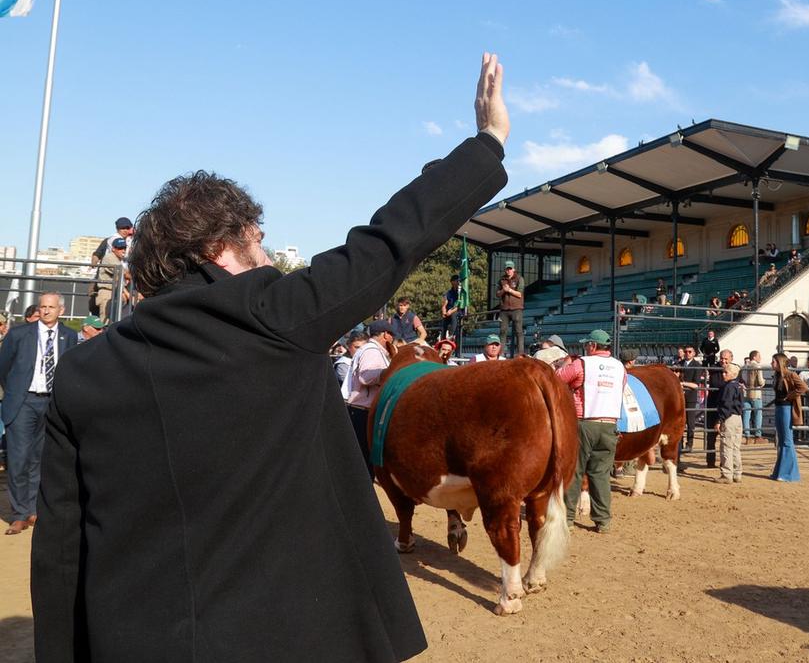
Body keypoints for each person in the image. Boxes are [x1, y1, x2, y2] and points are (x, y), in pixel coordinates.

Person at [32, 52, 510, 662]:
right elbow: (392, 238)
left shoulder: (81, 372)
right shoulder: (275, 315)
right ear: (219, 251)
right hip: (293, 635)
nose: (270, 260)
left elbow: (60, 549)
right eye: (258, 243)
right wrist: (488, 141)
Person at [0, 292, 80, 535]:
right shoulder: (18, 334)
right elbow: (3, 368)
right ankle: (19, 513)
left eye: (51, 307)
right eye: (42, 307)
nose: (45, 311)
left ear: (61, 311)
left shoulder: (68, 336)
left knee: (41, 458)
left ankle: (35, 509)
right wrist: (16, 392)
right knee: (18, 458)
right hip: (23, 402)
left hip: (51, 403)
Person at [558, 329, 623, 533]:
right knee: (601, 473)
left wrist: (565, 364)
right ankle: (603, 520)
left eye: (588, 344)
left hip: (584, 422)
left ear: (593, 346)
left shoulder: (582, 363)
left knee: (574, 470)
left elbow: (559, 378)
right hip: (610, 424)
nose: (586, 347)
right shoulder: (620, 367)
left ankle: (568, 518)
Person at [344, 320, 393, 472]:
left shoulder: (370, 349)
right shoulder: (372, 350)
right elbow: (366, 376)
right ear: (385, 334)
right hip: (362, 412)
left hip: (361, 410)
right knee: (363, 463)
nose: (392, 338)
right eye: (391, 334)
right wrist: (390, 374)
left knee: (362, 461)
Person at [769, 352, 803, 482]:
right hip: (779, 407)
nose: (772, 363)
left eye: (774, 362)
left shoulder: (790, 374)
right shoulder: (778, 375)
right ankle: (782, 472)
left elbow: (803, 387)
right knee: (782, 440)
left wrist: (790, 396)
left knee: (787, 440)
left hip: (786, 408)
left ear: (779, 362)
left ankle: (788, 474)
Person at [714, 362, 744, 483]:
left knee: (726, 446)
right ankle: (737, 473)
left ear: (733, 374)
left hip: (729, 418)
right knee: (736, 447)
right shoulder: (738, 386)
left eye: (726, 372)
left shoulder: (728, 387)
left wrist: (719, 420)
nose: (723, 374)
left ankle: (727, 474)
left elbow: (726, 405)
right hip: (737, 417)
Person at [94, 236, 131, 324]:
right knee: (105, 323)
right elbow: (125, 274)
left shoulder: (120, 260)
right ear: (113, 249)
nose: (123, 250)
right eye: (120, 248)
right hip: (108, 293)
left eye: (124, 248)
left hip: (117, 293)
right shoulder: (109, 257)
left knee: (115, 323)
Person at [676, 345, 705, 452]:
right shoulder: (680, 363)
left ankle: (690, 443)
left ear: (694, 354)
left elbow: (696, 384)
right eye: (686, 351)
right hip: (680, 395)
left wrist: (682, 383)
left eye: (689, 352)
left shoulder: (697, 365)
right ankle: (680, 443)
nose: (687, 353)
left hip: (690, 396)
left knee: (690, 421)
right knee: (680, 421)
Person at [496, 259, 524, 357]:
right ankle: (501, 353)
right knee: (502, 331)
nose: (508, 270)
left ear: (513, 269)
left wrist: (509, 290)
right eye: (507, 269)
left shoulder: (519, 278)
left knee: (518, 331)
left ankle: (520, 353)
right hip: (504, 309)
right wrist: (503, 290)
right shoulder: (501, 280)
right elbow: (497, 294)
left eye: (510, 268)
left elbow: (520, 294)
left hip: (517, 308)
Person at [741, 350, 765, 443]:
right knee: (758, 414)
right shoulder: (757, 366)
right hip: (756, 393)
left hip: (746, 393)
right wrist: (764, 382)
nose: (760, 358)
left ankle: (747, 436)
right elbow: (760, 381)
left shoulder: (744, 367)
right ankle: (758, 436)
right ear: (754, 357)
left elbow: (742, 379)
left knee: (746, 415)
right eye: (759, 356)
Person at [440, 274, 464, 342]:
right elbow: (444, 304)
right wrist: (444, 312)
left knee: (454, 315)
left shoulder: (461, 293)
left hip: (458, 311)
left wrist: (451, 311)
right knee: (444, 320)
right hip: (449, 312)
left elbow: (460, 305)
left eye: (459, 281)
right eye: (457, 281)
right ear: (452, 282)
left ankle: (451, 335)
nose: (458, 282)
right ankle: (443, 339)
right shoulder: (448, 293)